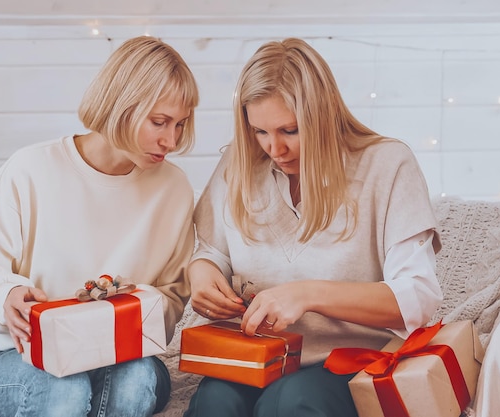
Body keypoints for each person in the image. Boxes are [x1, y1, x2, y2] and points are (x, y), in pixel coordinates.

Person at [183, 38, 442, 417]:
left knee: (288, 402)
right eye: (260, 131)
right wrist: (202, 276)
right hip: (257, 354)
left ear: (323, 115)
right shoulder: (238, 165)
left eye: (290, 130)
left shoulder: (387, 164)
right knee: (214, 403)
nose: (274, 148)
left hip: (349, 358)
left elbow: (418, 299)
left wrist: (308, 294)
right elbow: (211, 252)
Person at [0, 35, 199, 417]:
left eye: (180, 125)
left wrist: (127, 308)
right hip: (20, 357)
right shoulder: (30, 169)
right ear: (121, 106)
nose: (171, 140)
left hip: (124, 354)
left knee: (135, 382)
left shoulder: (174, 189)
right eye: (159, 122)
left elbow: (172, 297)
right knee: (63, 387)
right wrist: (6, 296)